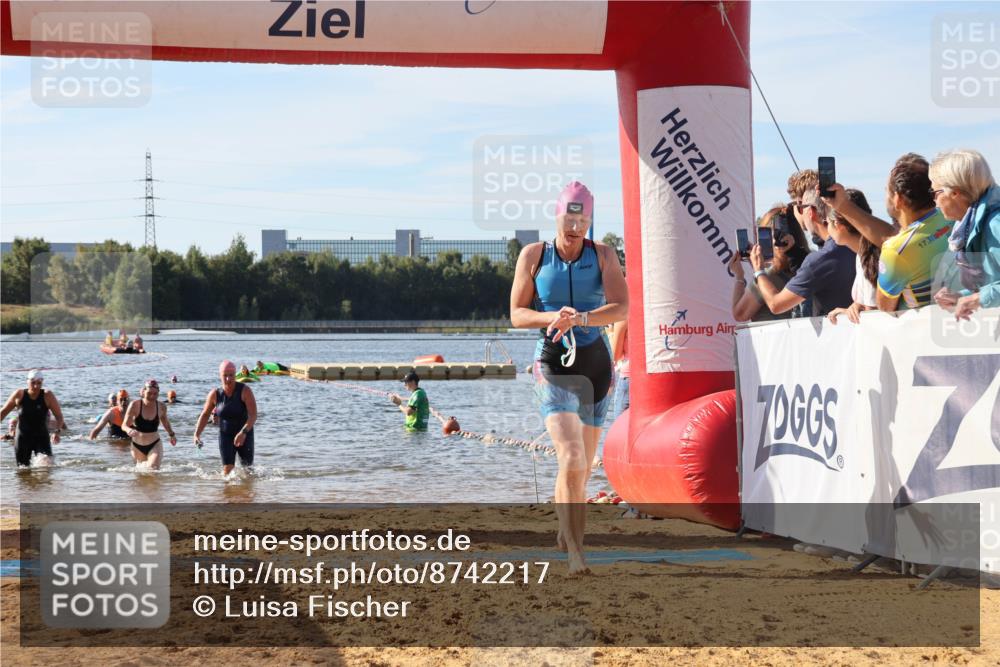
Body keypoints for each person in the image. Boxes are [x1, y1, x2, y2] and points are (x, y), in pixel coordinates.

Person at [509, 180, 628, 574]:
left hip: (596, 364)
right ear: (557, 215)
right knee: (572, 455)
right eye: (568, 218)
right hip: (553, 363)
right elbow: (517, 313)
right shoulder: (533, 255)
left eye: (583, 220)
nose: (575, 228)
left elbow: (622, 307)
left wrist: (584, 318)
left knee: (583, 466)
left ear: (589, 221)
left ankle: (568, 532)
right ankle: (576, 553)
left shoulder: (605, 255)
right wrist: (552, 317)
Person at [751, 189, 855, 317]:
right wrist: (794, 251)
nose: (798, 215)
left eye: (800, 208)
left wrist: (759, 271)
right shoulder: (852, 245)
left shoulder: (819, 259)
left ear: (810, 212)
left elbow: (775, 304)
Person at [929, 149, 1000, 320]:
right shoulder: (972, 226)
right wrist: (961, 296)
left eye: (935, 193)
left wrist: (976, 298)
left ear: (954, 192)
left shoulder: (995, 223)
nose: (934, 201)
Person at [730, 206, 806, 322]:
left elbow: (740, 314)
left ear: (773, 239)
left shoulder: (766, 278)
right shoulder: (807, 266)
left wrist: (740, 277)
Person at [826, 189, 882, 325]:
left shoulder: (869, 257)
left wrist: (845, 314)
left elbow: (873, 315)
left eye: (827, 222)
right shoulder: (864, 253)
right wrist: (856, 306)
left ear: (838, 225)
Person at [194, 360, 258, 475]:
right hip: (225, 435)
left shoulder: (245, 391)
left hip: (245, 433)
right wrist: (197, 434)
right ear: (220, 376)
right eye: (225, 376)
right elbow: (204, 415)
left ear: (235, 375)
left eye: (231, 375)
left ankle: (247, 492)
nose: (228, 379)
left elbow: (253, 415)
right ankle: (228, 493)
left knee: (248, 471)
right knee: (227, 471)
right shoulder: (215, 394)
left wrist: (243, 432)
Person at [0, 370, 67, 467]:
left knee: (46, 466)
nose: (36, 386)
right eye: (33, 383)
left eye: (39, 383)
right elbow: (2, 412)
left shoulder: (47, 395)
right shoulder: (19, 394)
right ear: (27, 382)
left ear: (42, 382)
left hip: (41, 437)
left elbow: (59, 416)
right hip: (22, 438)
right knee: (23, 470)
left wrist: (56, 431)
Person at [123, 379, 176, 469]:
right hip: (137, 445)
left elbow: (165, 422)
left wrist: (172, 435)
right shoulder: (135, 405)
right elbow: (124, 425)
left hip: (154, 444)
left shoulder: (161, 406)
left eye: (155, 394)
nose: (152, 396)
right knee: (141, 475)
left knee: (153, 468)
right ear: (143, 392)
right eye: (149, 393)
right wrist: (129, 430)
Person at [608, 319, 629, 419]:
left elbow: (615, 355)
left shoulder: (624, 316)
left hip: (629, 377)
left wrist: (611, 336)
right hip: (653, 375)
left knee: (621, 426)